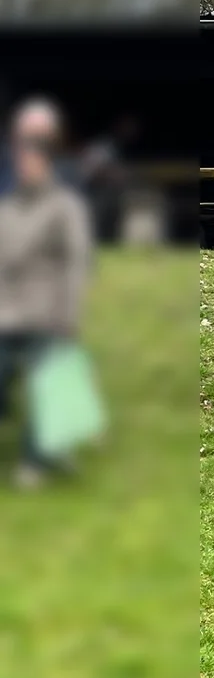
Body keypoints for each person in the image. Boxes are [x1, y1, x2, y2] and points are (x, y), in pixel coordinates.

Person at [0, 99, 94, 487]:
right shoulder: (7, 209)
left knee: (48, 380)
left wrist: (67, 316)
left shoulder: (65, 206)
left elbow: (77, 263)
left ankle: (35, 460)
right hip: (7, 315)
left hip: (46, 313)